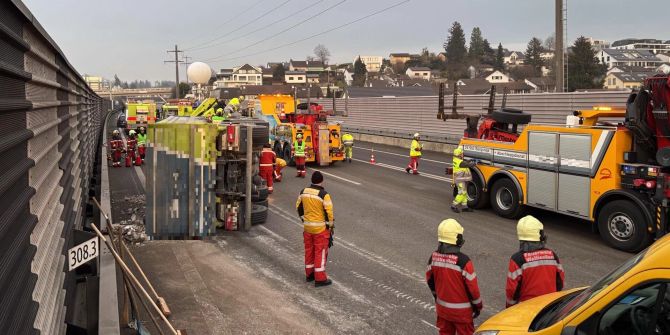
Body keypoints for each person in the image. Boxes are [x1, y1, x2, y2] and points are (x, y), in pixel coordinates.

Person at [426, 219, 482, 335]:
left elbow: (430, 281)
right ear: (457, 238)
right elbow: (473, 290)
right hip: (462, 314)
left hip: (443, 311)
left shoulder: (433, 258)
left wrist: (437, 297)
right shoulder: (464, 261)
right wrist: (478, 306)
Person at [506, 215, 565, 308]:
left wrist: (510, 308)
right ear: (540, 235)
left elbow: (512, 291)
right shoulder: (552, 255)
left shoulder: (517, 259)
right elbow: (560, 281)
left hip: (526, 309)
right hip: (549, 308)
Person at [296, 171, 334, 287]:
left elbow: (298, 207)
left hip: (307, 228)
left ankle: (310, 275)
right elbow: (329, 213)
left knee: (309, 251)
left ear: (312, 180)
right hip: (320, 229)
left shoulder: (303, 192)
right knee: (320, 252)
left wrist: (304, 220)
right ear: (321, 181)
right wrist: (330, 226)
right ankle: (320, 278)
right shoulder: (324, 194)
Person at [451, 146, 476, 213]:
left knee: (464, 193)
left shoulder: (456, 160)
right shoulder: (460, 163)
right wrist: (475, 163)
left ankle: (465, 207)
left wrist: (469, 160)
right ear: (459, 154)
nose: (462, 154)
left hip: (460, 179)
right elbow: (468, 165)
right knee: (461, 193)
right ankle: (454, 205)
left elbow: (464, 162)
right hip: (460, 180)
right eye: (461, 153)